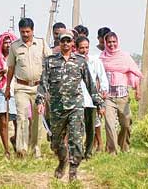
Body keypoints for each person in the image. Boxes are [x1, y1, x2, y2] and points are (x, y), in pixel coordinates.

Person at [36, 33, 105, 181]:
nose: (66, 43)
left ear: (72, 43)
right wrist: (40, 101)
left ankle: (73, 170)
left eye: (68, 41)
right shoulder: (50, 61)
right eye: (63, 41)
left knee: (76, 139)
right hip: (57, 107)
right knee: (56, 142)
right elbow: (43, 83)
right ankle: (62, 161)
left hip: (76, 106)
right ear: (59, 43)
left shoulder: (80, 61)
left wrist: (99, 103)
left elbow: (90, 84)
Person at [5, 18, 51, 158]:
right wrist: (8, 87)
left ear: (33, 30)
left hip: (39, 88)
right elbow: (11, 68)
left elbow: (49, 63)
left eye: (27, 32)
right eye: (22, 32)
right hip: (21, 87)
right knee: (22, 117)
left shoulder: (41, 44)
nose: (25, 34)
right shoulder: (14, 46)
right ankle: (21, 149)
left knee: (37, 119)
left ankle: (35, 148)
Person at [99, 31, 142, 154]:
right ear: (105, 43)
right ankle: (112, 151)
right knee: (110, 125)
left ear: (117, 42)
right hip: (108, 97)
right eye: (109, 42)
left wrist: (137, 90)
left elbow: (134, 72)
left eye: (114, 42)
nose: (112, 44)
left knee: (126, 124)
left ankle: (124, 146)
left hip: (123, 96)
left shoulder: (124, 56)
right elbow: (97, 75)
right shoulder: (102, 58)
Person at [75, 36, 108, 159]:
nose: (84, 50)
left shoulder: (95, 61)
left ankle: (88, 153)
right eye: (81, 48)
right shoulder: (73, 61)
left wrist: (103, 92)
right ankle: (78, 152)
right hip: (77, 99)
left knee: (91, 128)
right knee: (77, 128)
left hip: (91, 99)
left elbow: (102, 77)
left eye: (86, 47)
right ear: (77, 48)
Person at [0, 32, 18, 158]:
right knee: (4, 121)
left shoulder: (18, 57)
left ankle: (17, 141)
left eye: (10, 42)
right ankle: (6, 150)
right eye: (5, 43)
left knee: (19, 121)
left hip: (17, 90)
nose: (7, 45)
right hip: (2, 91)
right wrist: (0, 73)